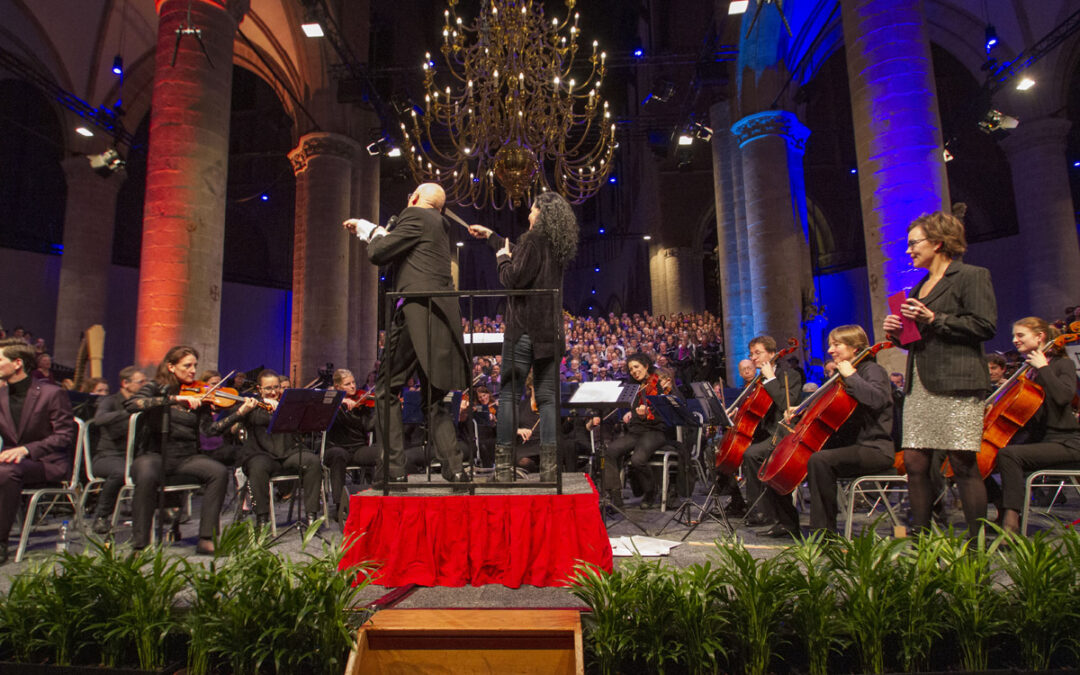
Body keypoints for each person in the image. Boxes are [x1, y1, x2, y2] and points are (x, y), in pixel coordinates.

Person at [344, 183, 470, 485]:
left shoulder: (415, 216)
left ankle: (394, 470)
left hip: (414, 312)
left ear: (414, 198)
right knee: (434, 397)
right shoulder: (439, 225)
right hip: (439, 317)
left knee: (387, 390)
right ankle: (455, 469)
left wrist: (368, 229)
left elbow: (379, 253)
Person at [883, 210, 996, 535]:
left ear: (938, 242)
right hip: (921, 385)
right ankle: (921, 540)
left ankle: (976, 546)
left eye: (913, 243)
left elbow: (984, 325)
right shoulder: (920, 286)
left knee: (962, 464)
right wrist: (896, 332)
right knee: (916, 463)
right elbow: (916, 340)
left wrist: (934, 318)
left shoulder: (971, 276)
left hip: (957, 383)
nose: (908, 250)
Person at [468, 191, 579, 481]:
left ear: (541, 213)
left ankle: (503, 469)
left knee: (507, 394)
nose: (528, 215)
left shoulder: (533, 240)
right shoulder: (556, 245)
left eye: (531, 210)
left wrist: (502, 259)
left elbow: (514, 279)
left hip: (524, 330)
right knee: (547, 398)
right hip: (550, 333)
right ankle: (550, 470)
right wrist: (493, 237)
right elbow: (525, 259)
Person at [124, 345, 232, 553]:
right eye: (187, 365)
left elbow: (209, 431)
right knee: (146, 474)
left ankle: (206, 538)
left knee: (218, 472)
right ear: (171, 367)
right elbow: (132, 404)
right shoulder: (156, 387)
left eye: (195, 365)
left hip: (185, 457)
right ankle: (140, 544)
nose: (193, 370)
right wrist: (174, 399)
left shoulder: (199, 395)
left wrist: (238, 413)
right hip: (153, 454)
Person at [796, 325, 894, 535]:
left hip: (874, 448)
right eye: (830, 345)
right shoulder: (845, 373)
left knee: (820, 460)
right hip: (852, 446)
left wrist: (851, 376)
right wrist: (800, 412)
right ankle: (788, 522)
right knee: (804, 455)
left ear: (855, 347)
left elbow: (877, 400)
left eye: (836, 344)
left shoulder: (872, 370)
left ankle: (824, 534)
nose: (830, 350)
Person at [994, 317, 1080, 533]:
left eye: (1020, 335)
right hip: (1040, 441)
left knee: (1009, 455)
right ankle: (1000, 512)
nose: (1014, 340)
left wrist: (1044, 367)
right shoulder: (1026, 372)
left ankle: (1010, 522)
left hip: (1066, 443)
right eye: (1014, 336)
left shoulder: (1062, 364)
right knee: (976, 459)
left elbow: (1063, 397)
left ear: (1040, 336)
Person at [0, 338, 76, 564]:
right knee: (5, 470)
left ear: (17, 363)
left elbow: (64, 436)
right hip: (11, 462)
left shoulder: (51, 393)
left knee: (5, 472)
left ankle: (1, 542)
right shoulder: (1, 395)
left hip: (46, 462)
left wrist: (26, 449)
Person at [220, 370, 323, 530]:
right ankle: (262, 519)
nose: (274, 392)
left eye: (277, 387)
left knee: (313, 461)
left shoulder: (288, 406)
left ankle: (312, 517)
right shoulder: (251, 406)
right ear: (259, 389)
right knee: (258, 467)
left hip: (287, 453)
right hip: (261, 454)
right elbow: (226, 426)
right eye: (268, 388)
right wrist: (245, 410)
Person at [737, 335, 804, 534]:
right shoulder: (760, 378)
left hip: (784, 434)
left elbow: (786, 405)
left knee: (753, 455)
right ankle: (748, 506)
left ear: (772, 354)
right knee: (736, 451)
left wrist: (771, 379)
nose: (753, 358)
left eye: (758, 353)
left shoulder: (789, 375)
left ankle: (764, 512)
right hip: (765, 432)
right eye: (752, 354)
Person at [602, 353, 670, 508]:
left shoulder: (659, 384)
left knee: (637, 460)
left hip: (655, 431)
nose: (633, 371)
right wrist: (630, 412)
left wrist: (649, 412)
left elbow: (667, 412)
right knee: (610, 451)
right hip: (636, 431)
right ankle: (615, 494)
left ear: (646, 366)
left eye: (636, 367)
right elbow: (630, 410)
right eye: (631, 369)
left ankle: (650, 491)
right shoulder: (633, 389)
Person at [89, 366, 147, 534]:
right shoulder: (109, 401)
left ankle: (165, 509)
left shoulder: (143, 403)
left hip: (134, 456)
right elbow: (99, 419)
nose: (144, 385)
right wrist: (128, 412)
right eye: (140, 382)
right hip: (107, 456)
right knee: (122, 471)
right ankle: (102, 516)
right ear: (125, 383)